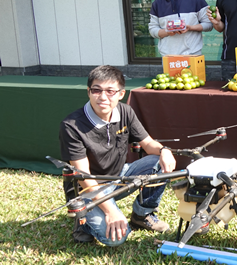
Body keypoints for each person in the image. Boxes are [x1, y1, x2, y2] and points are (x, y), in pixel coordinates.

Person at [59, 66, 176, 246]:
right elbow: (83, 176)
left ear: (121, 94)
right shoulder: (71, 125)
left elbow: (148, 144)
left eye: (110, 91)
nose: (103, 97)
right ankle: (82, 223)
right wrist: (110, 211)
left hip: (119, 176)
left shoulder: (125, 111)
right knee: (116, 239)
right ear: (88, 92)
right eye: (96, 90)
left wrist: (164, 150)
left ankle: (142, 214)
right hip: (88, 189)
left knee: (159, 162)